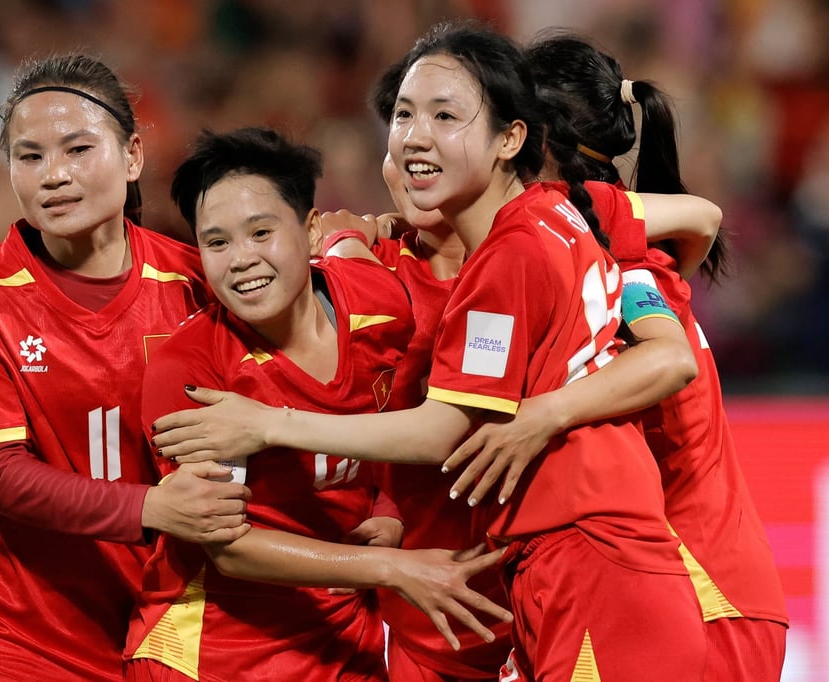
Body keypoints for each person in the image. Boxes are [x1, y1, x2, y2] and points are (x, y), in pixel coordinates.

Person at [149, 22, 711, 680]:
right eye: (405, 117)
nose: (415, 139)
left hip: (582, 556)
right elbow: (698, 217)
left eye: (446, 116)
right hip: (525, 578)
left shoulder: (505, 260)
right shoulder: (557, 213)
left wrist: (266, 423)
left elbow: (446, 428)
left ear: (511, 137)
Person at [124, 126, 513, 682]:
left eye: (262, 232)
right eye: (217, 243)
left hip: (341, 639)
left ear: (308, 233)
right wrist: (390, 568)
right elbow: (227, 546)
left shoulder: (382, 307)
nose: (241, 260)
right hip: (212, 651)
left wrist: (384, 507)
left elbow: (388, 428)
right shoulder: (188, 371)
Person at [0, 54, 251, 681]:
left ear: (132, 156)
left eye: (78, 149)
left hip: (165, 622)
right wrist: (150, 509)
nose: (55, 175)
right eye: (30, 156)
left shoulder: (198, 283)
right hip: (14, 632)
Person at [519, 33, 786, 681]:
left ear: (536, 140)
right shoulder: (612, 249)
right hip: (703, 594)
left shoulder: (611, 258)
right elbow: (701, 217)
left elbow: (669, 359)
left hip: (697, 597)